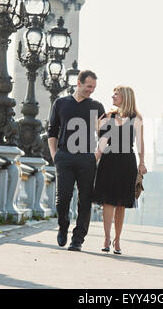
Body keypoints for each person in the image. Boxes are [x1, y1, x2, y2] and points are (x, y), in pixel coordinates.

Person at [47, 70, 105, 252]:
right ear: (78, 84)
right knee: (62, 198)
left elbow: (105, 135)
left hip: (86, 158)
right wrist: (55, 155)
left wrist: (96, 155)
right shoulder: (61, 103)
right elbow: (52, 131)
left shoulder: (97, 106)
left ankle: (78, 239)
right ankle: (63, 226)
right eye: (89, 86)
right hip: (64, 156)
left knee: (85, 199)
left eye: (94, 87)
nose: (91, 91)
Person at [93, 86, 147, 254]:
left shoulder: (136, 118)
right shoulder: (109, 116)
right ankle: (107, 238)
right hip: (109, 159)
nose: (112, 97)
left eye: (115, 94)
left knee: (121, 203)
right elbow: (103, 139)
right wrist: (94, 158)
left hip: (126, 161)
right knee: (107, 200)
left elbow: (140, 143)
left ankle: (117, 240)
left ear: (124, 97)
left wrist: (142, 163)